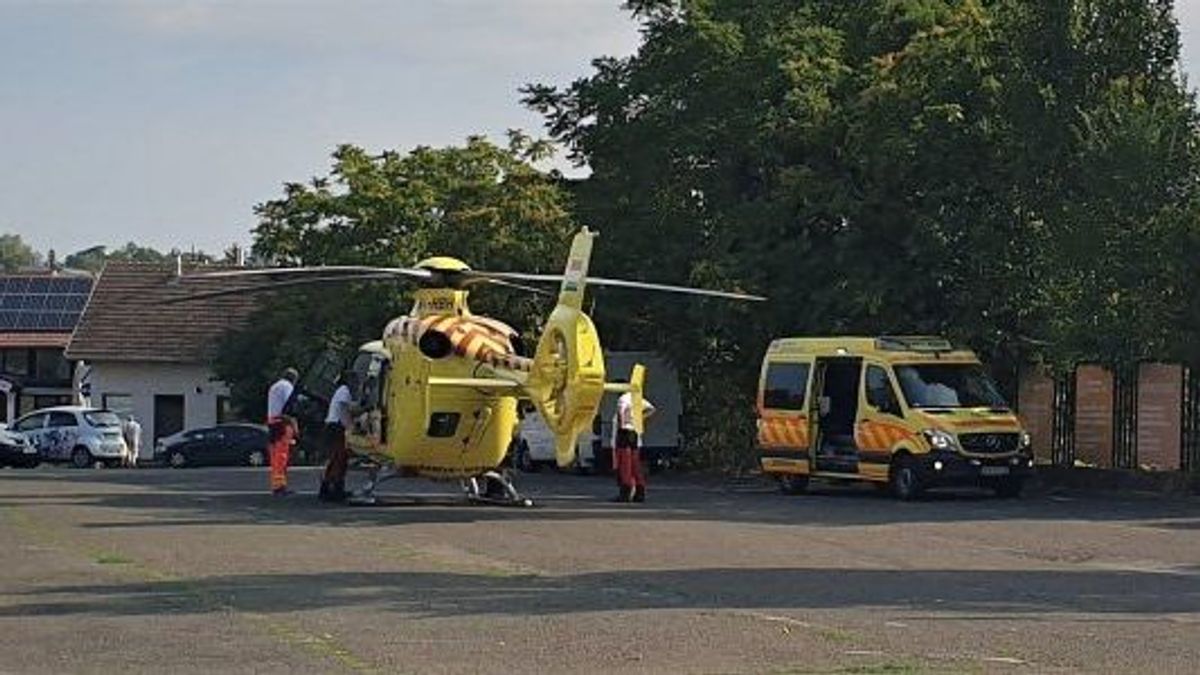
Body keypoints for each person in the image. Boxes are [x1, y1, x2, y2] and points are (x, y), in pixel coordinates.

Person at [611, 389, 656, 503]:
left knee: (625, 464)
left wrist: (623, 424)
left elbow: (621, 412)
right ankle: (640, 492)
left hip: (624, 433)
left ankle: (625, 493)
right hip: (635, 433)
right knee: (635, 465)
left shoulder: (623, 399)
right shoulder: (637, 398)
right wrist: (640, 418)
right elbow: (651, 409)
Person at [318, 372, 354, 502]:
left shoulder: (340, 390)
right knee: (339, 458)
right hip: (336, 428)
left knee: (335, 459)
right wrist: (350, 427)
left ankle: (327, 489)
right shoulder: (345, 391)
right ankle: (335, 490)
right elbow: (343, 409)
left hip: (331, 427)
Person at [266, 367, 299, 496]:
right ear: (293, 379)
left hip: (272, 422)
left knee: (275, 456)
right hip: (282, 423)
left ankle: (277, 484)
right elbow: (289, 407)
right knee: (282, 455)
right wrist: (295, 426)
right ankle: (280, 486)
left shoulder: (274, 386)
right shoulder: (287, 387)